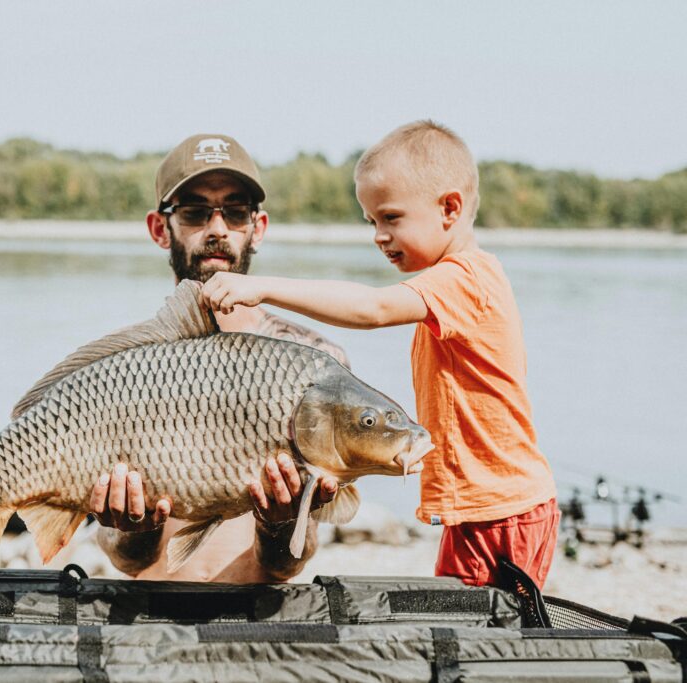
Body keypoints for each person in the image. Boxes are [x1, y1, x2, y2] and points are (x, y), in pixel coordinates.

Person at [199, 121, 559, 588]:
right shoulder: (454, 283)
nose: (378, 236)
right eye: (372, 222)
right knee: (466, 629)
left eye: (391, 218)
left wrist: (262, 288)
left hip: (501, 510)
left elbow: (373, 307)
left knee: (486, 639)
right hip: (484, 509)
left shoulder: (466, 278)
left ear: (449, 208)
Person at [89, 133, 349, 582]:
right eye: (194, 212)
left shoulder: (316, 361)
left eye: (235, 212)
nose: (217, 228)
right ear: (159, 228)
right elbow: (127, 561)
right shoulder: (124, 367)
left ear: (257, 228)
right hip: (151, 609)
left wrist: (279, 524)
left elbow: (288, 563)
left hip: (260, 610)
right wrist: (135, 530)